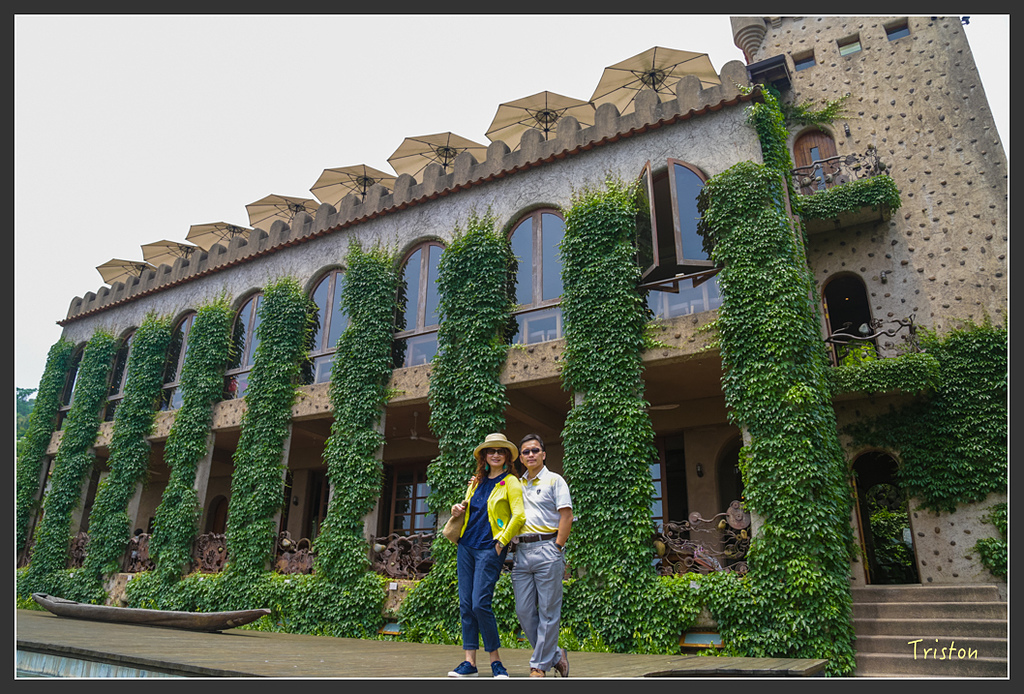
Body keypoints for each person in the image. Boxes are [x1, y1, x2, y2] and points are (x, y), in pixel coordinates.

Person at [446, 433, 526, 678]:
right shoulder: (476, 482)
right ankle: (469, 662)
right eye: (491, 451)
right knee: (466, 605)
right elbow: (469, 510)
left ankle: (496, 662)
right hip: (466, 546)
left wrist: (501, 542)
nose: (496, 454)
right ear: (484, 456)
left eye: (501, 451)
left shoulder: (511, 482)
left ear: (507, 457)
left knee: (480, 603)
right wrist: (456, 509)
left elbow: (519, 515)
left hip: (490, 548)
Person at [511, 433, 573, 678]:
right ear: (521, 458)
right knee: (524, 611)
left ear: (543, 454)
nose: (530, 455)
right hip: (522, 553)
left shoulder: (555, 480)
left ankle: (538, 666)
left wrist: (557, 547)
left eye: (535, 450)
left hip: (548, 547)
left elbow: (566, 516)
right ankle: (556, 655)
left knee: (548, 611)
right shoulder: (516, 484)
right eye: (525, 452)